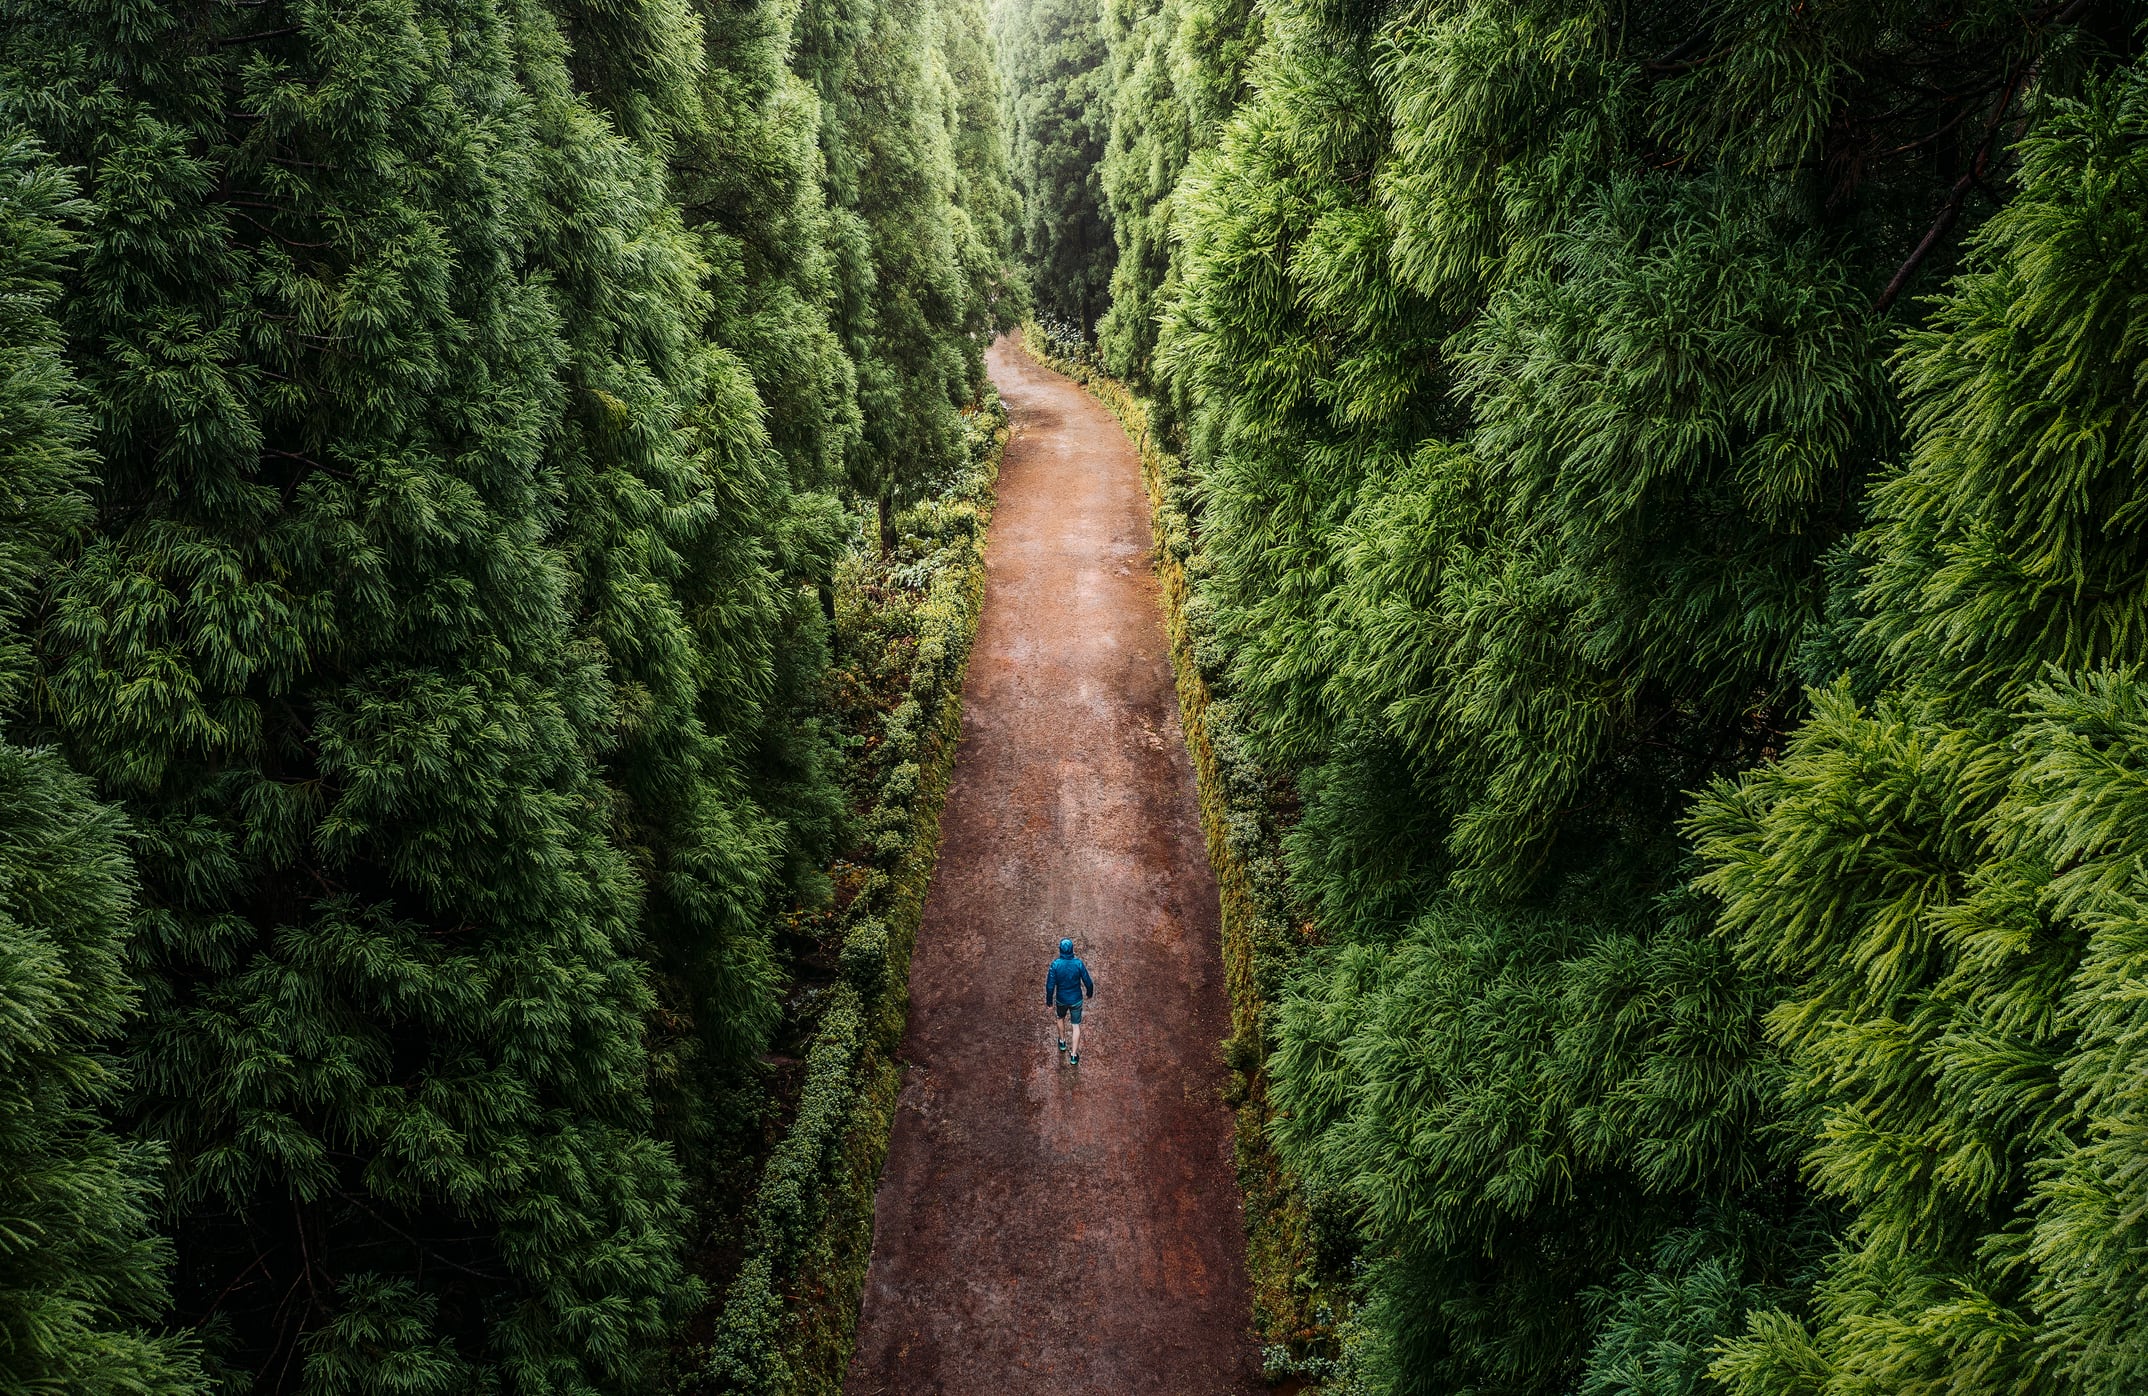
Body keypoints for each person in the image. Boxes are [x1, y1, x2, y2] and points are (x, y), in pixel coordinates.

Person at [1044, 937, 1095, 1064]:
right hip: (1076, 999)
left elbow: (1050, 986)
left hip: (1061, 999)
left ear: (1060, 950)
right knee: (1076, 1025)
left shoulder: (1055, 965)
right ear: (1072, 949)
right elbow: (1088, 982)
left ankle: (1062, 1042)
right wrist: (1089, 993)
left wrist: (1049, 1001)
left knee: (1060, 1018)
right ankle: (1073, 1055)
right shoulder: (1078, 964)